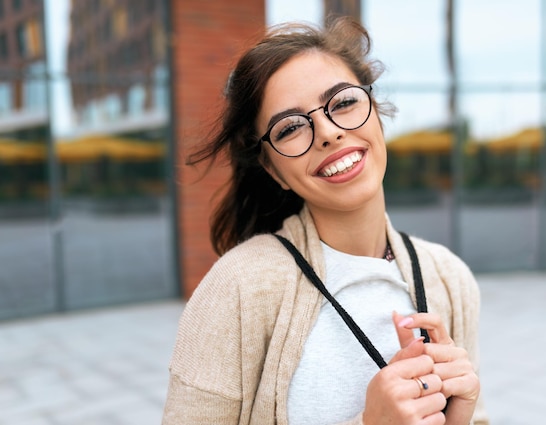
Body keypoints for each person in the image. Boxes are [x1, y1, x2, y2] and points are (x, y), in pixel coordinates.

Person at [163, 17, 489, 425]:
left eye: (344, 102)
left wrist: (460, 416)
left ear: (376, 112)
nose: (329, 133)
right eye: (291, 127)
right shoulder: (238, 288)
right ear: (272, 169)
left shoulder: (449, 278)